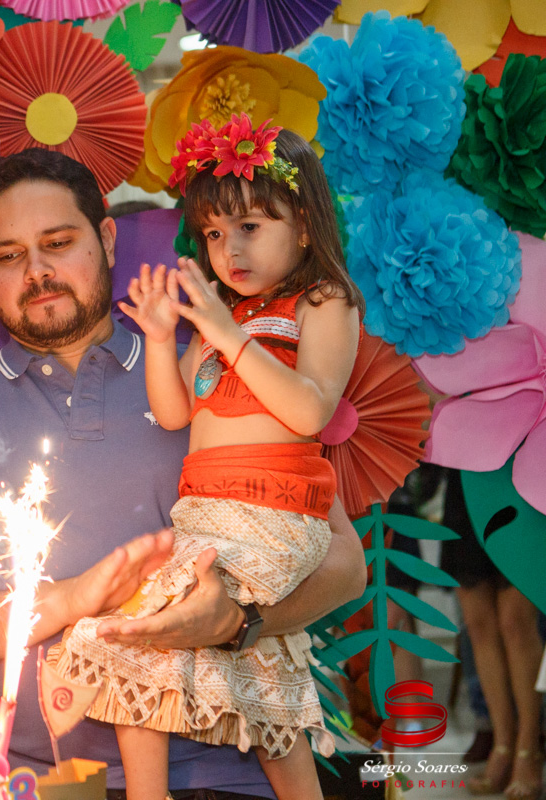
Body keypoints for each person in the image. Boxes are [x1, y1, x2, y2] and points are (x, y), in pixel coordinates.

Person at [0, 146, 366, 800]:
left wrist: (238, 620)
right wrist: (71, 601)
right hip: (42, 779)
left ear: (106, 239)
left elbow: (344, 563)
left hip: (231, 770)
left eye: (58, 243)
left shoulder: (209, 368)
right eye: (9, 255)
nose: (38, 271)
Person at [49, 117, 361, 800]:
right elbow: (174, 413)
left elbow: (311, 411)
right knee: (261, 670)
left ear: (304, 226)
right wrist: (164, 339)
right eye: (215, 234)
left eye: (250, 226)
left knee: (146, 628)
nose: (230, 249)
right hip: (207, 516)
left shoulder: (322, 302)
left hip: (276, 512)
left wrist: (228, 334)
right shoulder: (222, 313)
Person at [438, 468, 543, 799]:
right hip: (465, 477)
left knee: (516, 621)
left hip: (523, 473)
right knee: (478, 623)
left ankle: (529, 747)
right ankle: (502, 742)